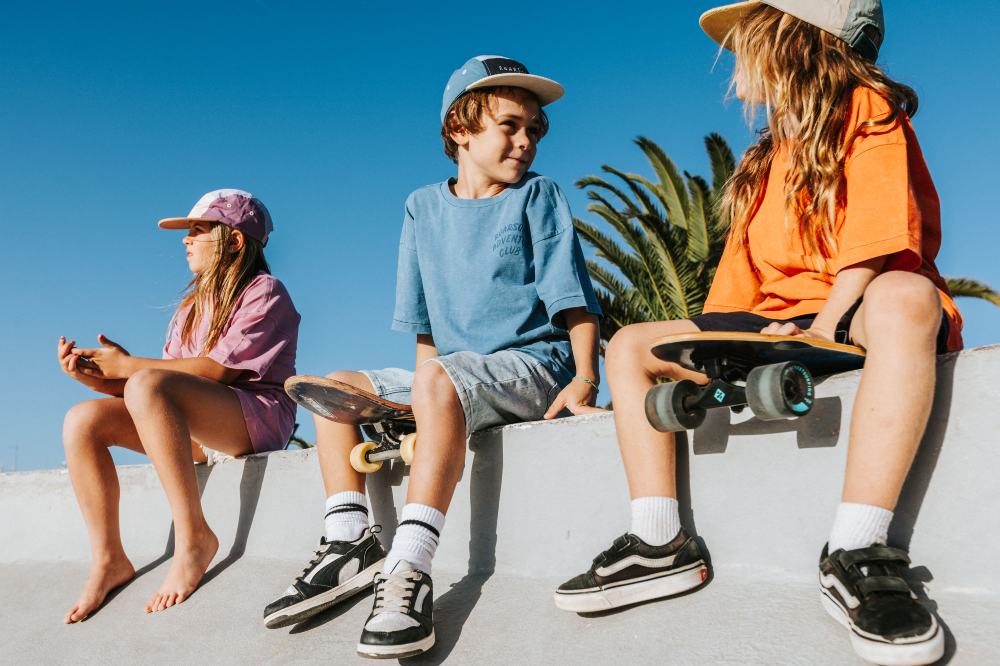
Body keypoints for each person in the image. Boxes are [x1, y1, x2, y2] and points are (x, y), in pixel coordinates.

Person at [554, 3, 959, 664]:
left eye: (745, 40)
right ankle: (660, 542)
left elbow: (880, 237)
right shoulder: (763, 156)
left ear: (791, 40)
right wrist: (712, 354)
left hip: (858, 302)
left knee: (909, 298)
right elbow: (737, 287)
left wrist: (830, 318)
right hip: (786, 320)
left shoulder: (866, 106)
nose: (732, 57)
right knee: (631, 345)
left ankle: (858, 547)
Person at [263, 55, 602, 659]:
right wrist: (422, 393)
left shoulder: (538, 196)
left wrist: (583, 379)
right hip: (454, 374)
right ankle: (348, 538)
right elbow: (424, 327)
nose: (525, 142)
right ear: (460, 130)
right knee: (327, 384)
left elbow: (573, 298)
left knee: (439, 380)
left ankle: (409, 568)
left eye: (534, 130)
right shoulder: (421, 207)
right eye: (509, 126)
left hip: (534, 367)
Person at [58, 189, 300, 622]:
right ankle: (109, 558)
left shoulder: (266, 292)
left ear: (235, 241)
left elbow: (219, 373)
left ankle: (194, 538)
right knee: (82, 420)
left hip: (254, 420)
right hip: (197, 428)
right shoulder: (190, 308)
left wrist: (129, 365)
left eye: (198, 230)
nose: (184, 240)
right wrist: (98, 379)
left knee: (148, 382)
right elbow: (156, 394)